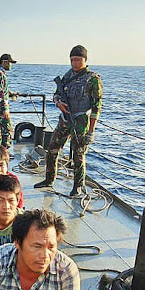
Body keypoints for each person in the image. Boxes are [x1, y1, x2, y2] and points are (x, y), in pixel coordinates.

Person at [34, 45, 102, 197]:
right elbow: (56, 94)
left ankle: (78, 186)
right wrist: (58, 103)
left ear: (85, 60)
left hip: (81, 121)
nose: (74, 63)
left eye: (78, 60)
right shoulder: (67, 76)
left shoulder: (93, 79)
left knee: (78, 155)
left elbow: (97, 107)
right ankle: (49, 180)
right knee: (52, 149)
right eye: (72, 60)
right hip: (65, 119)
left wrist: (91, 131)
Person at [0, 53, 17, 148]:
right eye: (10, 63)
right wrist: (5, 108)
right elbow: (0, 92)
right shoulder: (0, 74)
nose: (11, 65)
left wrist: (10, 93)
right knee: (7, 129)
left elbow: (1, 89)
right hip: (0, 107)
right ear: (5, 62)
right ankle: (3, 150)